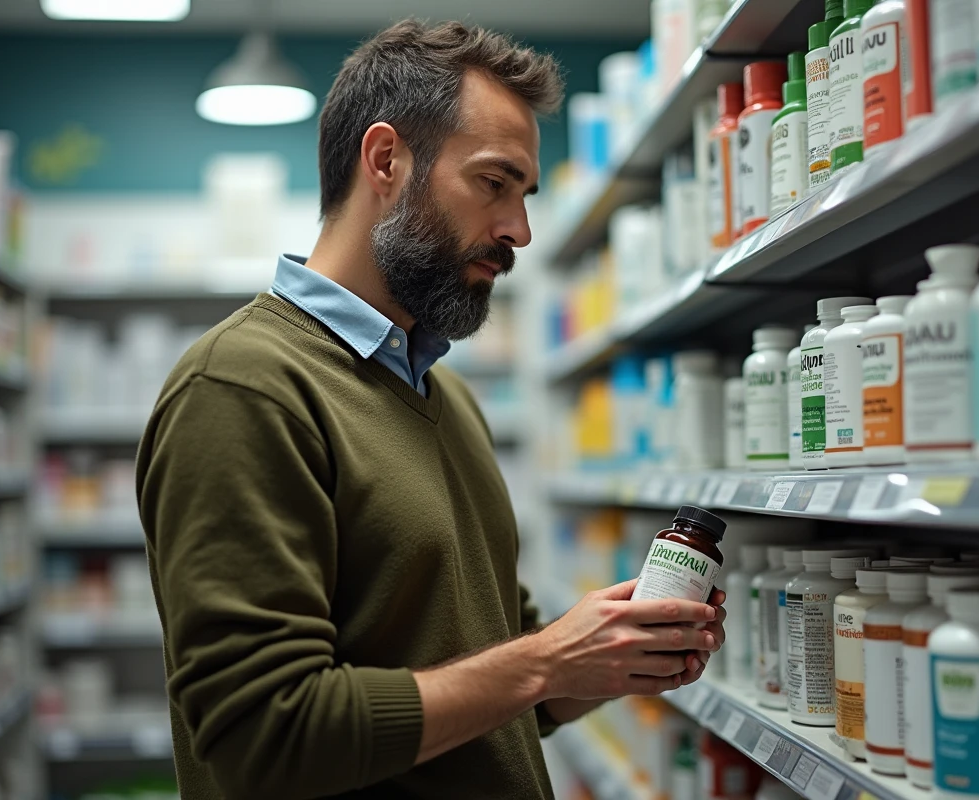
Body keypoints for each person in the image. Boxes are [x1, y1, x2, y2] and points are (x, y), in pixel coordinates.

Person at [135, 19, 726, 800]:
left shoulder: (443, 395)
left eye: (524, 194)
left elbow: (499, 690)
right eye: (494, 183)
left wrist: (605, 660)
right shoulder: (243, 387)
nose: (518, 230)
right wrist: (545, 658)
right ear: (386, 160)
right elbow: (265, 738)